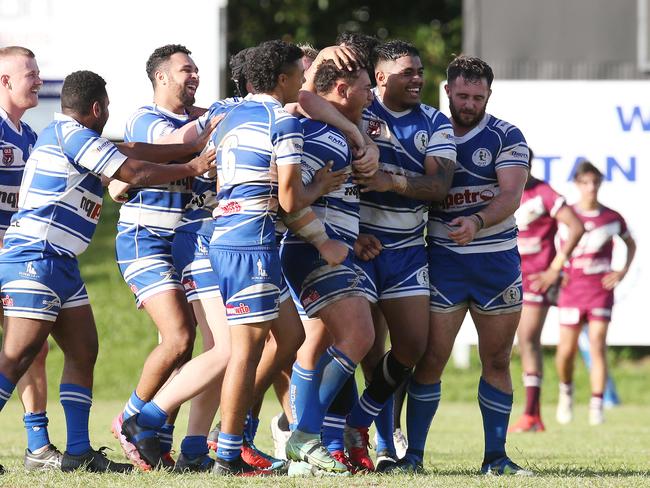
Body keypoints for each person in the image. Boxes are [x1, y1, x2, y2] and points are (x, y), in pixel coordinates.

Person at [0, 69, 214, 473]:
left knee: (83, 350)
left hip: (61, 261)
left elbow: (133, 149)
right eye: (108, 107)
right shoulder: (70, 134)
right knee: (17, 355)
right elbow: (132, 171)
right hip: (35, 255)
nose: (109, 113)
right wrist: (193, 166)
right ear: (97, 108)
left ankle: (79, 452)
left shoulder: (78, 136)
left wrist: (191, 146)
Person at [396, 55, 532, 475]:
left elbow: (510, 196)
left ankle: (495, 458)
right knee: (431, 359)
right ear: (448, 92)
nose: (470, 103)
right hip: (443, 262)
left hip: (495, 262)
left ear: (489, 95)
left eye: (478, 96)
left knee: (496, 360)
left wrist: (476, 221)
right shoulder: (428, 131)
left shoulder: (506, 135)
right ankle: (413, 457)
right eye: (463, 95)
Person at [206, 39, 324, 476]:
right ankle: (227, 454)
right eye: (300, 74)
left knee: (290, 337)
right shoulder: (282, 120)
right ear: (282, 79)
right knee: (246, 351)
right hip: (251, 241)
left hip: (233, 236)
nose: (304, 82)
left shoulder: (231, 116)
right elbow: (292, 199)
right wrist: (323, 185)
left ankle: (231, 434)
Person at [342, 40, 456, 472]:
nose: (418, 78)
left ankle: (360, 421)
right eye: (407, 71)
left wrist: (393, 183)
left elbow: (439, 187)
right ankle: (383, 444)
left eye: (420, 71)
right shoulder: (357, 113)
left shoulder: (435, 123)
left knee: (411, 347)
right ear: (381, 77)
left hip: (407, 250)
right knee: (368, 348)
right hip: (359, 248)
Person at [109, 44, 207, 470]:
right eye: (186, 70)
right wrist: (218, 121)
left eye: (197, 69)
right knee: (180, 337)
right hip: (143, 239)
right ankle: (130, 417)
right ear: (161, 77)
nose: (195, 75)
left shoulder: (195, 122)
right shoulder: (147, 121)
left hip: (184, 244)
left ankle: (158, 440)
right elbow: (181, 144)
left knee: (184, 350)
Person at [281, 59, 375, 475]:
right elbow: (285, 196)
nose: (371, 95)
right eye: (366, 87)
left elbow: (329, 198)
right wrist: (322, 239)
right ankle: (303, 436)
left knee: (316, 344)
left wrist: (352, 237)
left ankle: (304, 445)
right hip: (311, 250)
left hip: (333, 248)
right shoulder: (319, 134)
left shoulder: (338, 132)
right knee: (359, 335)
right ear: (341, 88)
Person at [0, 45, 61, 471]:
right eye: (31, 74)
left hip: (17, 256)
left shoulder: (31, 137)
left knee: (30, 347)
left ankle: (38, 447)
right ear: (4, 81)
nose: (39, 80)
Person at [555, 160, 636, 426]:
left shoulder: (611, 217)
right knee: (566, 350)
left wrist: (621, 271)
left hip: (599, 290)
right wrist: (557, 270)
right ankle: (566, 392)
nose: (591, 188)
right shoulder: (566, 215)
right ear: (577, 184)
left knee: (597, 344)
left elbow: (630, 243)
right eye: (585, 182)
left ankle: (596, 404)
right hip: (571, 288)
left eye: (595, 182)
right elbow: (553, 245)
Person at [509, 150, 584, 433]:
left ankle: (532, 414)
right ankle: (529, 413)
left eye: (524, 164)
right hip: (508, 276)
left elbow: (576, 227)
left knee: (527, 337)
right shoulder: (503, 189)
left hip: (537, 278)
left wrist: (555, 268)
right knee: (515, 344)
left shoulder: (543, 192)